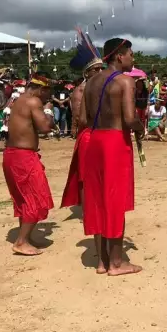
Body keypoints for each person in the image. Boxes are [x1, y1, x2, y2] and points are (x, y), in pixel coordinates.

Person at [81, 38, 145, 276]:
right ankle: (117, 263)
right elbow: (129, 119)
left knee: (98, 199)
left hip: (95, 141)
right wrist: (140, 128)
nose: (132, 58)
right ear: (120, 56)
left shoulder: (90, 83)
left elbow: (84, 120)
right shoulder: (124, 82)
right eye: (131, 54)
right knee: (115, 200)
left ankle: (102, 261)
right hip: (115, 143)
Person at [1, 73, 55, 255]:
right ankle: (21, 241)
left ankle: (25, 237)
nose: (49, 96)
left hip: (11, 155)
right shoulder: (34, 102)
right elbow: (45, 127)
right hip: (23, 157)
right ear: (41, 89)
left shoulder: (18, 101)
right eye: (48, 92)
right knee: (37, 197)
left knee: (24, 199)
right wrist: (48, 110)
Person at [61, 30, 103, 212]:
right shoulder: (80, 91)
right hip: (88, 136)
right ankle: (88, 211)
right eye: (96, 69)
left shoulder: (99, 87)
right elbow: (80, 118)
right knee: (86, 176)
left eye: (102, 68)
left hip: (99, 135)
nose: (100, 72)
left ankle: (96, 207)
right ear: (87, 73)